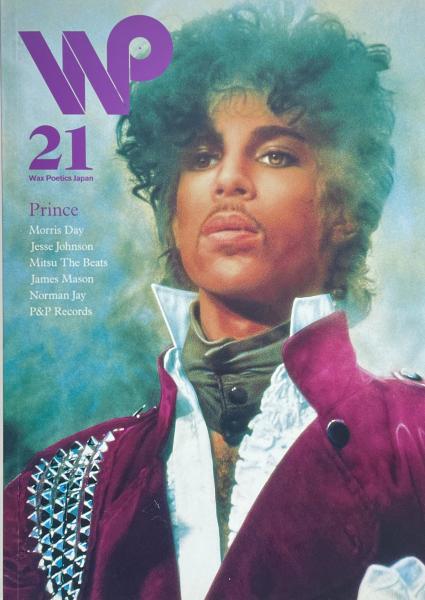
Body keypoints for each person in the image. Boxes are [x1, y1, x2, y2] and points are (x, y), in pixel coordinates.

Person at [4, 3, 425, 599]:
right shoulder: (57, 493)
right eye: (201, 157)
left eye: (276, 154)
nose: (228, 180)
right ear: (173, 208)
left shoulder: (416, 441)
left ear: (343, 207)